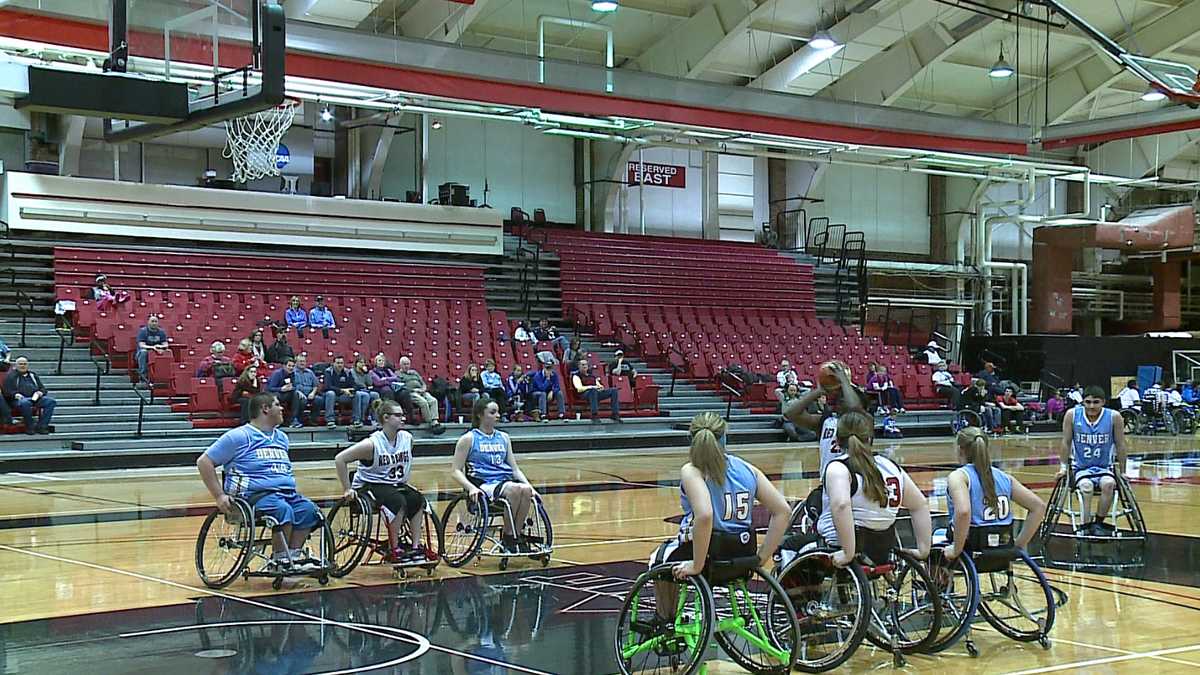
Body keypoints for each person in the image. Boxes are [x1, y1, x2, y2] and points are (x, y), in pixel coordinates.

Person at [650, 413, 791, 617]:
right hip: (742, 553)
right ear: (725, 437)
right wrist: (761, 557)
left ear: (692, 440)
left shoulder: (692, 471)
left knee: (658, 560)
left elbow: (705, 515)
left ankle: (666, 619)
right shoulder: (747, 469)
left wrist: (696, 565)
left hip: (709, 556)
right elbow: (783, 511)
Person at [196, 392, 322, 572]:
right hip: (253, 496)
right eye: (277, 404)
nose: (282, 408)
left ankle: (292, 557)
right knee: (282, 510)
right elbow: (204, 462)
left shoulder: (282, 438)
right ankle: (280, 561)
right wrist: (219, 496)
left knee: (309, 510)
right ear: (265, 409)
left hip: (285, 494)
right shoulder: (238, 436)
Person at [819, 410, 932, 566]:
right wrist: (923, 549)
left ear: (837, 441)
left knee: (792, 545)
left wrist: (848, 553)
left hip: (843, 546)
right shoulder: (890, 466)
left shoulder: (838, 468)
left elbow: (841, 505)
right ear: (870, 439)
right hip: (883, 548)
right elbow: (920, 504)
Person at [335, 399, 434, 563]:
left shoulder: (407, 439)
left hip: (394, 484)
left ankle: (415, 547)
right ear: (386, 418)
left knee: (417, 499)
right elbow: (340, 459)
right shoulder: (371, 444)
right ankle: (394, 549)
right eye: (398, 415)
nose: (403, 418)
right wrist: (347, 489)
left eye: (403, 415)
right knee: (397, 501)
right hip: (370, 485)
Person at [943, 427, 1046, 561]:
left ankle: (941, 574)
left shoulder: (959, 476)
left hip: (972, 545)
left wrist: (956, 549)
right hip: (1003, 544)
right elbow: (1039, 507)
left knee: (937, 537)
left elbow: (963, 512)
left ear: (960, 449)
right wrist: (1018, 546)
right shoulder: (1004, 477)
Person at [451, 398, 539, 553]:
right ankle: (508, 536)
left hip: (504, 482)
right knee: (514, 490)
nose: (497, 415)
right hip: (483, 484)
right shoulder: (468, 439)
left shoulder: (504, 437)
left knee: (525, 490)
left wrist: (531, 486)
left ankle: (516, 535)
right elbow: (455, 471)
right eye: (492, 412)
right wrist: (471, 488)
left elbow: (515, 469)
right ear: (480, 415)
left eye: (498, 412)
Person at [1060, 385, 1127, 536]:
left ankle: (1098, 523)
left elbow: (1121, 444)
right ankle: (1085, 525)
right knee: (1086, 487)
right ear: (1083, 402)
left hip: (1104, 467)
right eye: (1088, 402)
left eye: (1096, 402)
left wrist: (1123, 471)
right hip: (1081, 467)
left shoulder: (1114, 417)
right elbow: (1066, 442)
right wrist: (1063, 468)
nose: (1091, 406)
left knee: (1109, 485)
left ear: (1103, 402)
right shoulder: (1072, 415)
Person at [2, 357, 51, 434]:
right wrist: (15, 394)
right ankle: (30, 426)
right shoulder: (10, 376)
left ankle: (42, 426)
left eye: (25, 364)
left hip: (34, 398)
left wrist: (40, 392)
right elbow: (6, 392)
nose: (23, 366)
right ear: (16, 365)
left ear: (28, 365)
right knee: (25, 402)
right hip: (18, 400)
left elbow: (43, 388)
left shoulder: (33, 375)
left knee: (50, 401)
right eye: (20, 364)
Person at [323, 355, 371, 428]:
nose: (340, 365)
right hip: (332, 396)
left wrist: (351, 390)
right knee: (330, 393)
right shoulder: (328, 371)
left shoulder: (347, 372)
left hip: (344, 395)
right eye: (338, 363)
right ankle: (330, 420)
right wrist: (342, 390)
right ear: (333, 364)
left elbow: (354, 385)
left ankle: (356, 420)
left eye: (341, 363)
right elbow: (327, 386)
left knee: (357, 394)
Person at [395, 356, 442, 429]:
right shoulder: (398, 374)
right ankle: (430, 422)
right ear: (400, 365)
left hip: (421, 391)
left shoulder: (414, 372)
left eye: (408, 364)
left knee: (433, 400)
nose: (406, 366)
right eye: (404, 364)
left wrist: (423, 389)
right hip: (412, 392)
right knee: (424, 402)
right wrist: (414, 390)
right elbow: (401, 387)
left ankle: (435, 421)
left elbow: (423, 383)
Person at [572, 357, 620, 422]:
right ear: (579, 366)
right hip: (584, 394)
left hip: (595, 393)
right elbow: (579, 389)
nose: (585, 366)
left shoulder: (592, 376)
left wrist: (601, 387)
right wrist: (591, 387)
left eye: (586, 364)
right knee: (593, 391)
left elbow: (599, 385)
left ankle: (615, 414)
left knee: (614, 390)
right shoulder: (576, 376)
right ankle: (594, 415)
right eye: (582, 365)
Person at [267, 357, 306, 428]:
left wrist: (295, 390)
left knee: (296, 395)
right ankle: (275, 421)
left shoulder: (292, 374)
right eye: (289, 366)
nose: (291, 368)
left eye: (293, 366)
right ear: (284, 366)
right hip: (274, 393)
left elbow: (294, 386)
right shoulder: (277, 373)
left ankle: (293, 420)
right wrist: (281, 389)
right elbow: (270, 388)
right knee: (276, 396)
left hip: (285, 394)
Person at [135, 315, 170, 383]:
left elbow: (166, 344)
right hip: (143, 352)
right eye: (152, 321)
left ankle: (164, 375)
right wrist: (153, 348)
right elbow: (142, 345)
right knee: (143, 352)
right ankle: (143, 376)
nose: (154, 323)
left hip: (156, 351)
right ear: (148, 322)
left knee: (168, 351)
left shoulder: (161, 332)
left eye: (156, 321)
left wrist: (160, 347)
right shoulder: (143, 331)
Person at [293, 354, 325, 425]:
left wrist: (313, 393)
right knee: (302, 401)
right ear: (296, 363)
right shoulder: (292, 372)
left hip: (310, 394)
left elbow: (316, 385)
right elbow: (291, 386)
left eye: (304, 361)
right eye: (300, 361)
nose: (302, 363)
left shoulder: (310, 372)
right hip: (298, 395)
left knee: (319, 400)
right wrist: (298, 392)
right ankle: (299, 420)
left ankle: (313, 420)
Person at [351, 356, 382, 425]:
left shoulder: (365, 372)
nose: (362, 364)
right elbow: (356, 382)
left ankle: (374, 418)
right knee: (365, 395)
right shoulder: (352, 371)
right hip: (357, 390)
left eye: (364, 363)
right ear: (356, 364)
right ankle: (361, 418)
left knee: (375, 395)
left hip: (365, 390)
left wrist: (367, 373)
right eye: (360, 362)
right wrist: (365, 386)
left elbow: (370, 383)